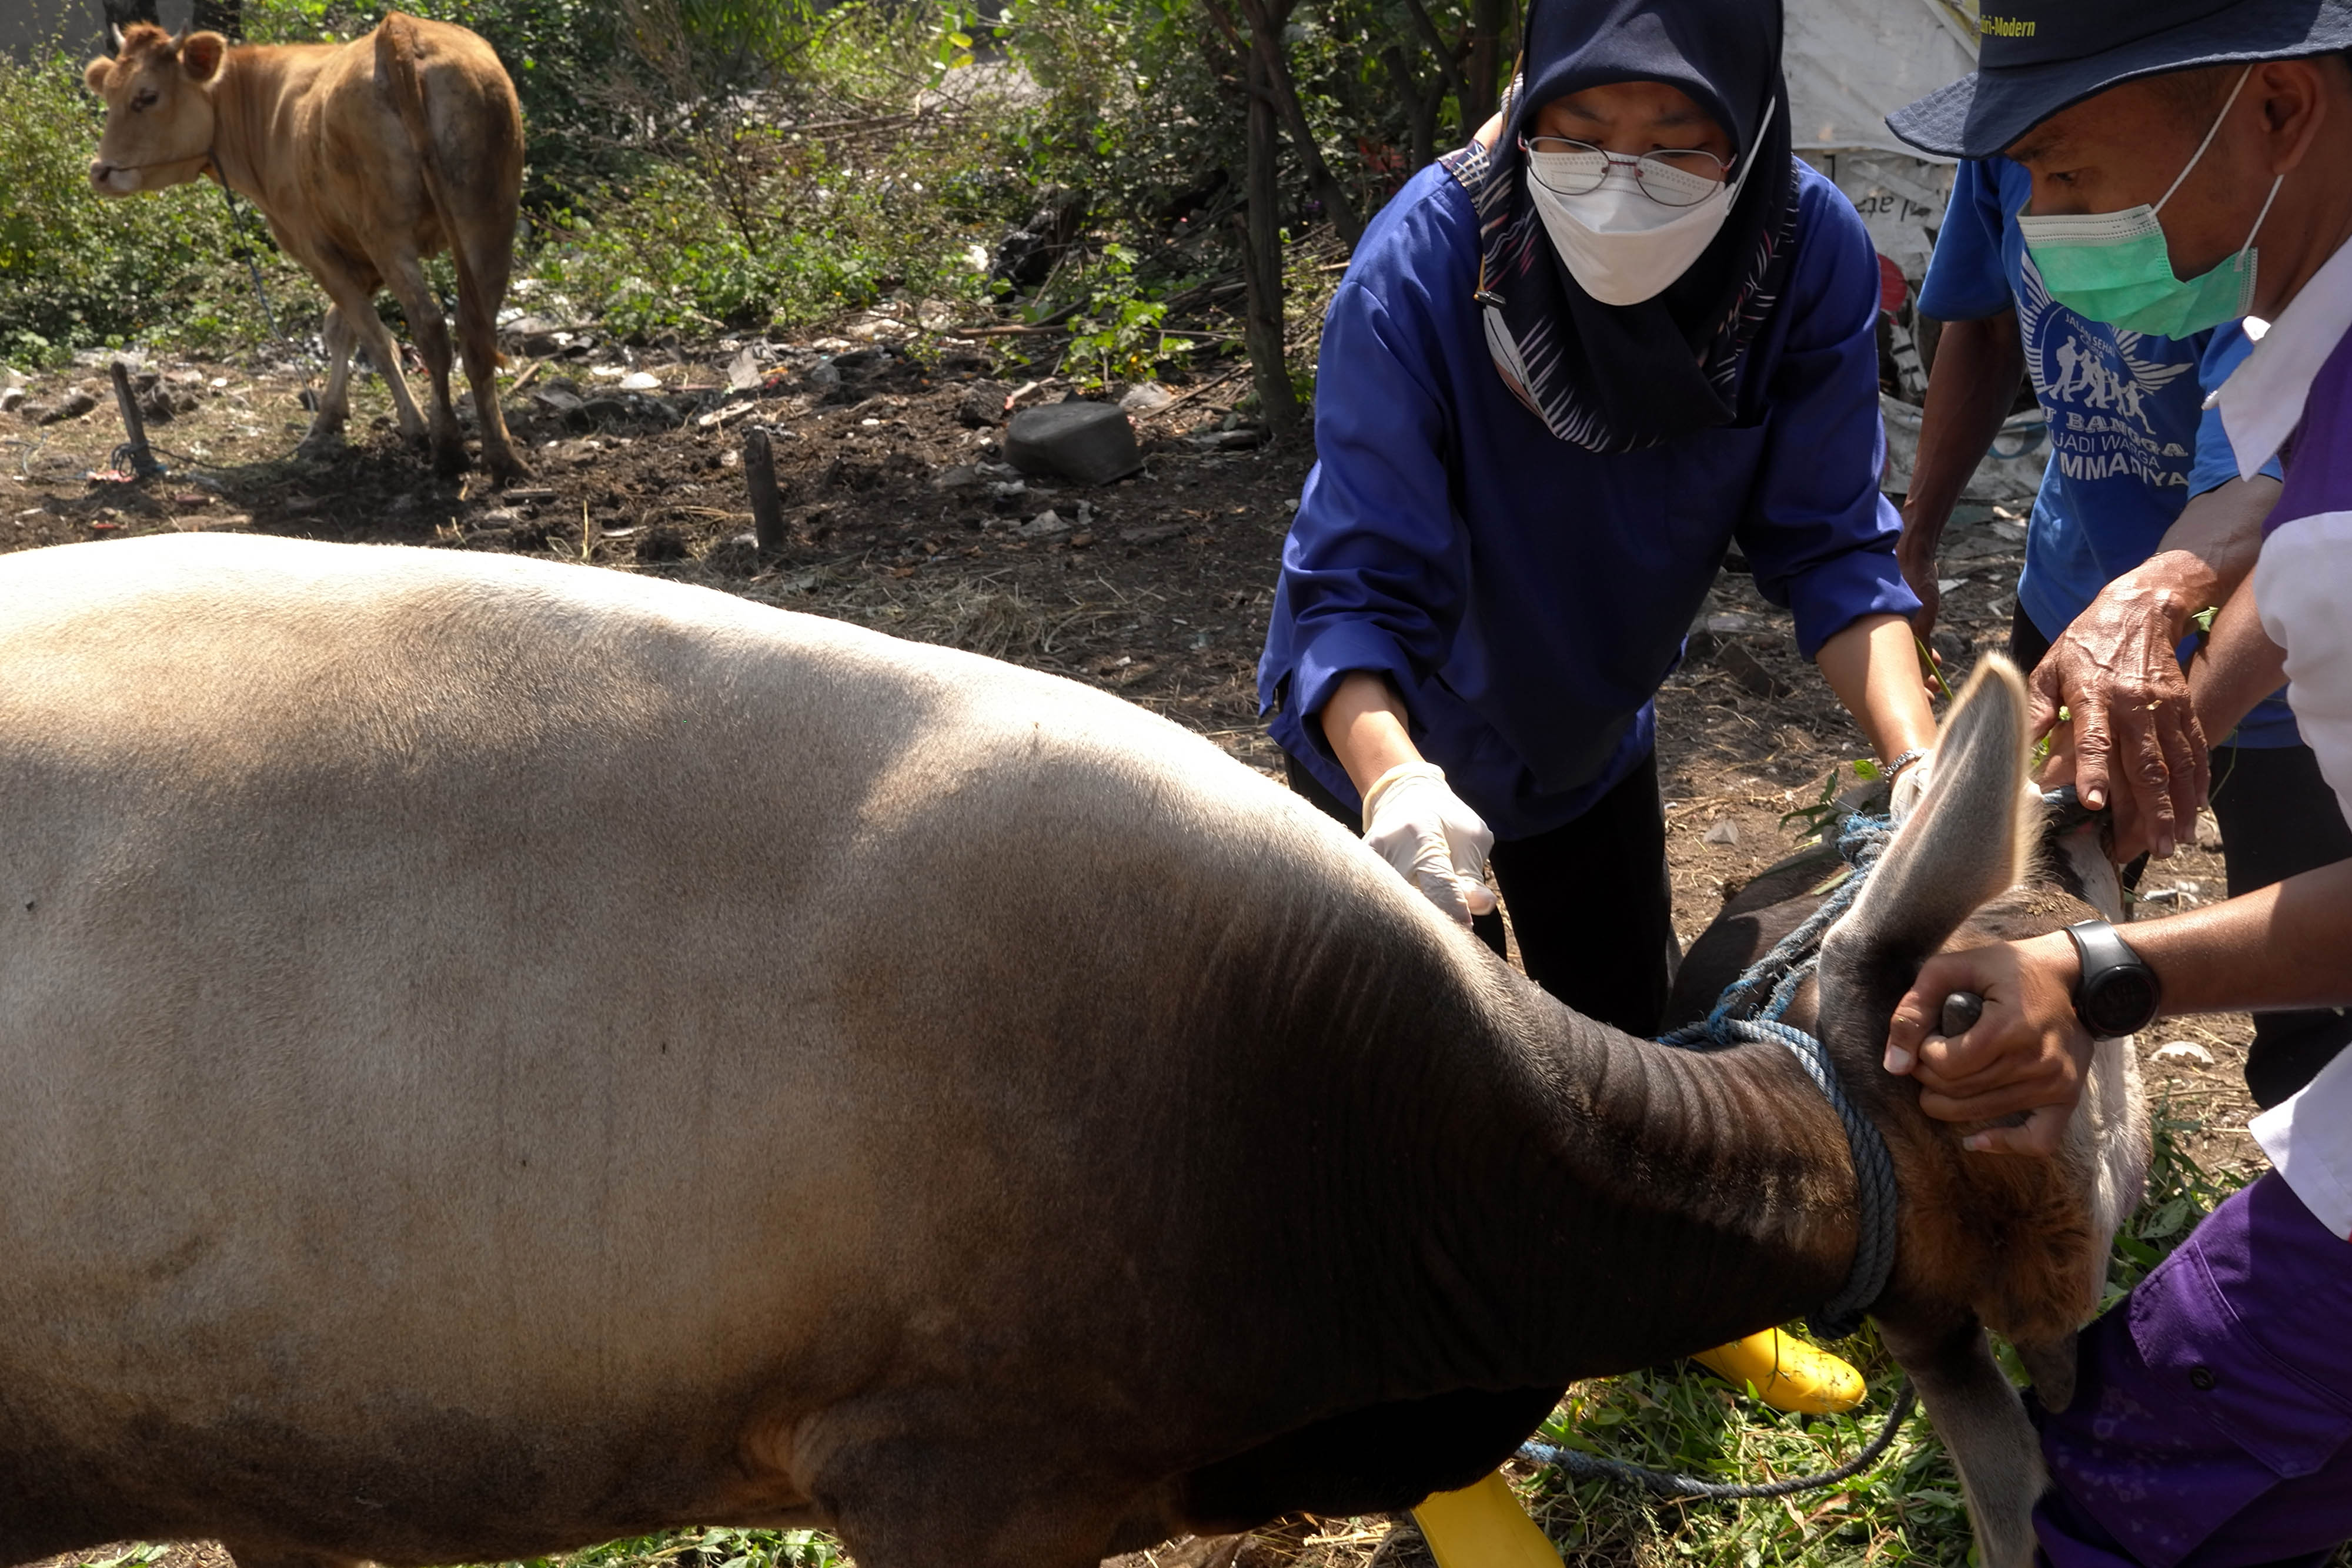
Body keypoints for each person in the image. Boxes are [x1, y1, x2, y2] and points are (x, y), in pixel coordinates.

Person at [1885, 4, 2352, 1562]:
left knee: (2115, 1487)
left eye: (2073, 173)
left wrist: (2094, 970)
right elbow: (2296, 513)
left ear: (2277, 111)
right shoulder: (2321, 359)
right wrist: (2180, 645)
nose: (2048, 224)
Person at [1256, 0, 1937, 1045]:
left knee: (1626, 1047)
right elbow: (1356, 588)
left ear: (1751, 130)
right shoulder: (1429, 262)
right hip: (1391, 727)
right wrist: (1393, 782)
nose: (1620, 184)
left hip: (1588, 738)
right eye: (1577, 139)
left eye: (1675, 147)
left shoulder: (1799, 256)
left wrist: (1919, 764)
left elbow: (1834, 543)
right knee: (1425, 1073)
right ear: (1527, 105)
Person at [1900, 126, 2352, 1111]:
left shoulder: (2267, 228)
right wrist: (1917, 537)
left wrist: (2156, 610)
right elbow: (1981, 328)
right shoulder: (2008, 132)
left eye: (2074, 173)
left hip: (2259, 669)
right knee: (2022, 922)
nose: (2044, 216)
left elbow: (2262, 490)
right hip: (2076, 615)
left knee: (2311, 1036)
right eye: (2032, 178)